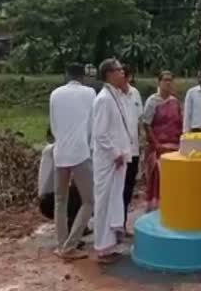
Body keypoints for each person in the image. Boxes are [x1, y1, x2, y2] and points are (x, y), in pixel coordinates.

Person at [48, 63, 95, 260]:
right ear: (83, 76)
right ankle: (70, 246)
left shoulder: (55, 94)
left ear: (67, 75)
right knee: (89, 201)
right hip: (80, 152)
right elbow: (92, 125)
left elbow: (53, 126)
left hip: (60, 152)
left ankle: (61, 244)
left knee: (60, 200)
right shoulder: (90, 93)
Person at [92, 58, 133, 263]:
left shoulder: (115, 95)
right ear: (109, 74)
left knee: (113, 201)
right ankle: (101, 246)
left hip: (116, 159)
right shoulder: (104, 99)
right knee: (104, 203)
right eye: (118, 70)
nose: (122, 73)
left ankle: (110, 244)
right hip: (108, 160)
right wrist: (116, 152)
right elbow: (100, 134)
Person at [142, 71, 183, 211]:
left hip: (175, 147)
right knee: (159, 177)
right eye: (165, 80)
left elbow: (180, 123)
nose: (168, 83)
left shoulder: (175, 101)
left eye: (170, 80)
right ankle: (156, 208)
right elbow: (146, 125)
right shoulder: (152, 101)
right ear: (159, 82)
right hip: (159, 147)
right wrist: (156, 145)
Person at [38, 130, 84, 237]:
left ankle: (76, 226)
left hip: (48, 198)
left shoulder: (50, 150)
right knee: (83, 192)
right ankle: (71, 230)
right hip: (49, 199)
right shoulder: (53, 150)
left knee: (78, 189)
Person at [121, 66, 143, 232]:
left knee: (129, 186)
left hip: (133, 149)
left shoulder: (134, 93)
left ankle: (123, 222)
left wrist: (139, 143)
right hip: (119, 152)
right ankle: (115, 225)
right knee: (118, 188)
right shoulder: (113, 96)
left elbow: (138, 121)